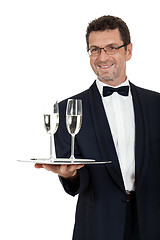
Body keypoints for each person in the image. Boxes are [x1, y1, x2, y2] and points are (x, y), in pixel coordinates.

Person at [35, 15, 160, 240]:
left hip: (152, 222)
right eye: (95, 49)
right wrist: (70, 175)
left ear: (128, 51)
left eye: (111, 47)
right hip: (97, 225)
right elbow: (76, 179)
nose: (102, 57)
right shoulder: (66, 111)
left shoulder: (157, 104)